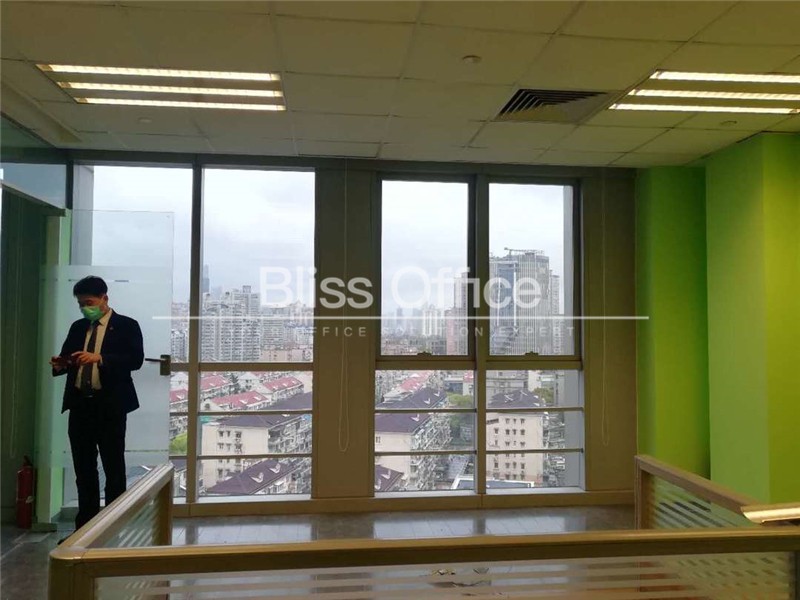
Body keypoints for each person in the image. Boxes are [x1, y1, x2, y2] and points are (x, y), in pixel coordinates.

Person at [50, 275, 144, 534]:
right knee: (84, 470)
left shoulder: (126, 325)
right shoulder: (78, 327)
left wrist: (100, 358)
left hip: (110, 406)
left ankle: (113, 529)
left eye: (89, 303)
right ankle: (85, 530)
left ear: (105, 298)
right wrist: (60, 364)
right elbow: (69, 358)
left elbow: (135, 360)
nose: (85, 308)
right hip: (80, 406)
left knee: (113, 468)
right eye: (81, 304)